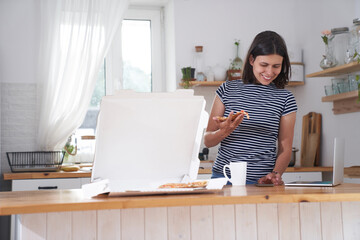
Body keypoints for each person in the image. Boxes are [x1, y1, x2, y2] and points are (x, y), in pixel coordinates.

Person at [204, 31, 297, 185]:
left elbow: (285, 148)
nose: (269, 72)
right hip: (223, 179)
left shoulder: (285, 98)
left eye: (276, 66)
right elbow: (207, 141)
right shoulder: (227, 90)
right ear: (252, 60)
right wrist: (224, 131)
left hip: (262, 182)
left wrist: (274, 174)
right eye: (264, 65)